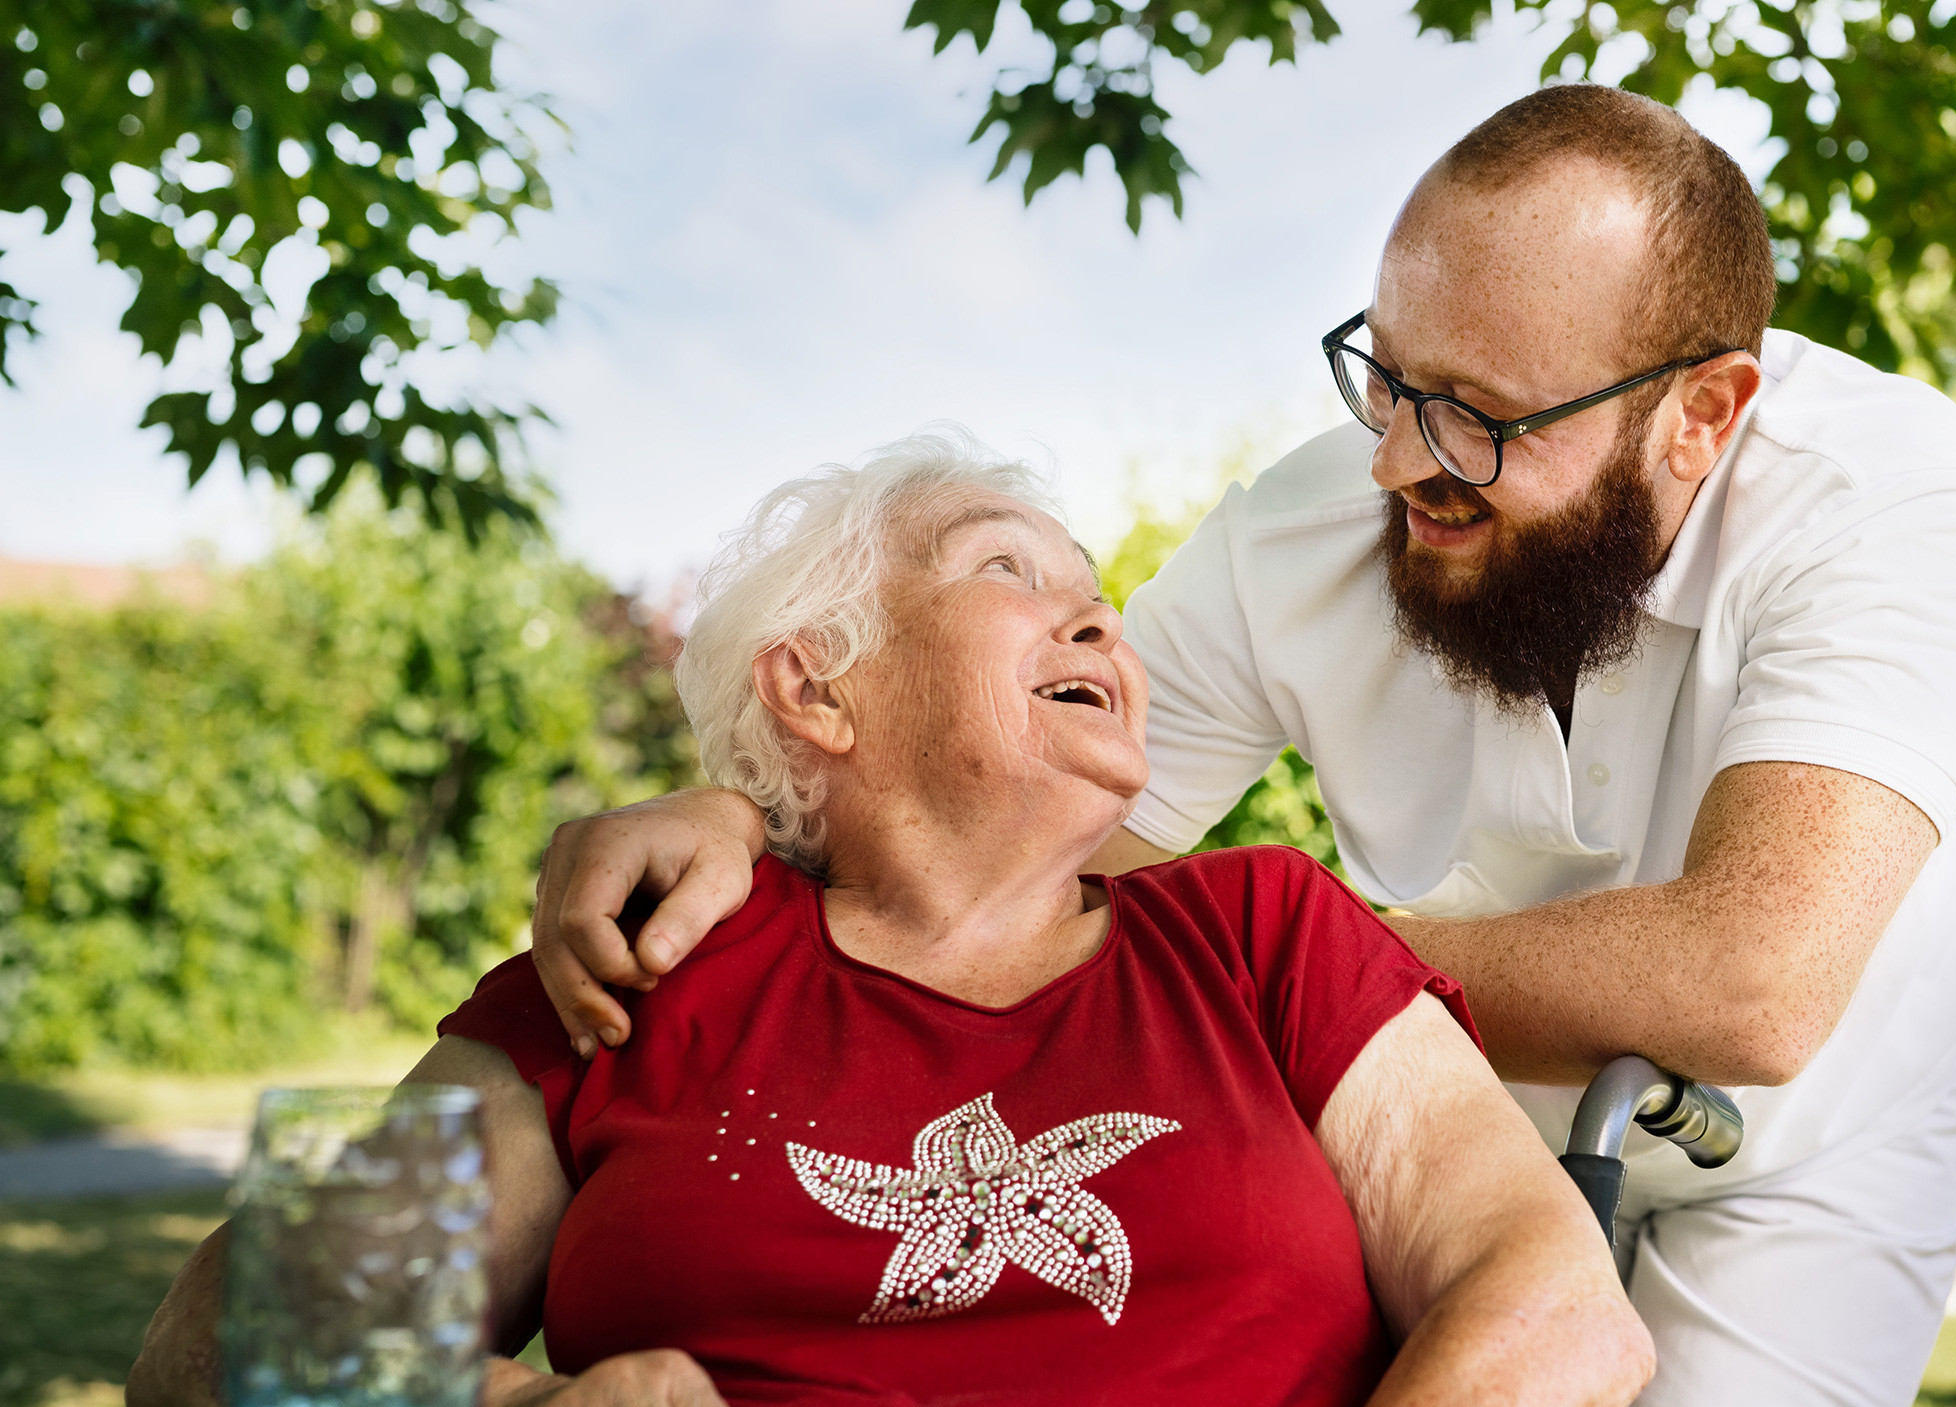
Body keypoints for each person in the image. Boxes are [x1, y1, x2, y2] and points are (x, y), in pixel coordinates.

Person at [530, 86, 1956, 1406]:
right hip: (1451, 1114)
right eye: (1388, 375)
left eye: (1480, 420)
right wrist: (752, 817)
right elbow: (998, 804)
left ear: (1700, 418)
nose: (1396, 462)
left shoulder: (1889, 491)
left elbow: (1750, 983)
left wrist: (1314, 988)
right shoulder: (1303, 535)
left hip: (1806, 1150)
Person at [126, 440, 1652, 1407]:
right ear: (816, 687)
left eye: (1100, 597)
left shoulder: (1260, 933)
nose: (1099, 621)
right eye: (1008, 569)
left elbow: (1560, 1316)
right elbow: (223, 1351)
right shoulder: (637, 971)